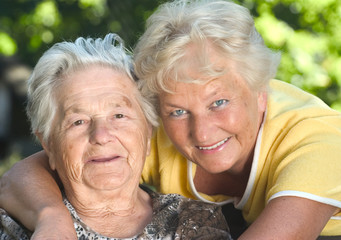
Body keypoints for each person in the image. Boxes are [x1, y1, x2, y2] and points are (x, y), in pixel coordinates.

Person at [1, 0, 341, 239]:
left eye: (219, 102)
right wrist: (53, 219)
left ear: (260, 92)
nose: (201, 132)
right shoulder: (157, 132)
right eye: (177, 110)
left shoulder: (318, 142)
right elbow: (31, 170)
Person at [0, 33, 232, 239]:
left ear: (148, 131)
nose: (101, 136)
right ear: (48, 145)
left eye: (119, 115)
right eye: (78, 121)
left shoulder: (194, 222)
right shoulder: (11, 224)